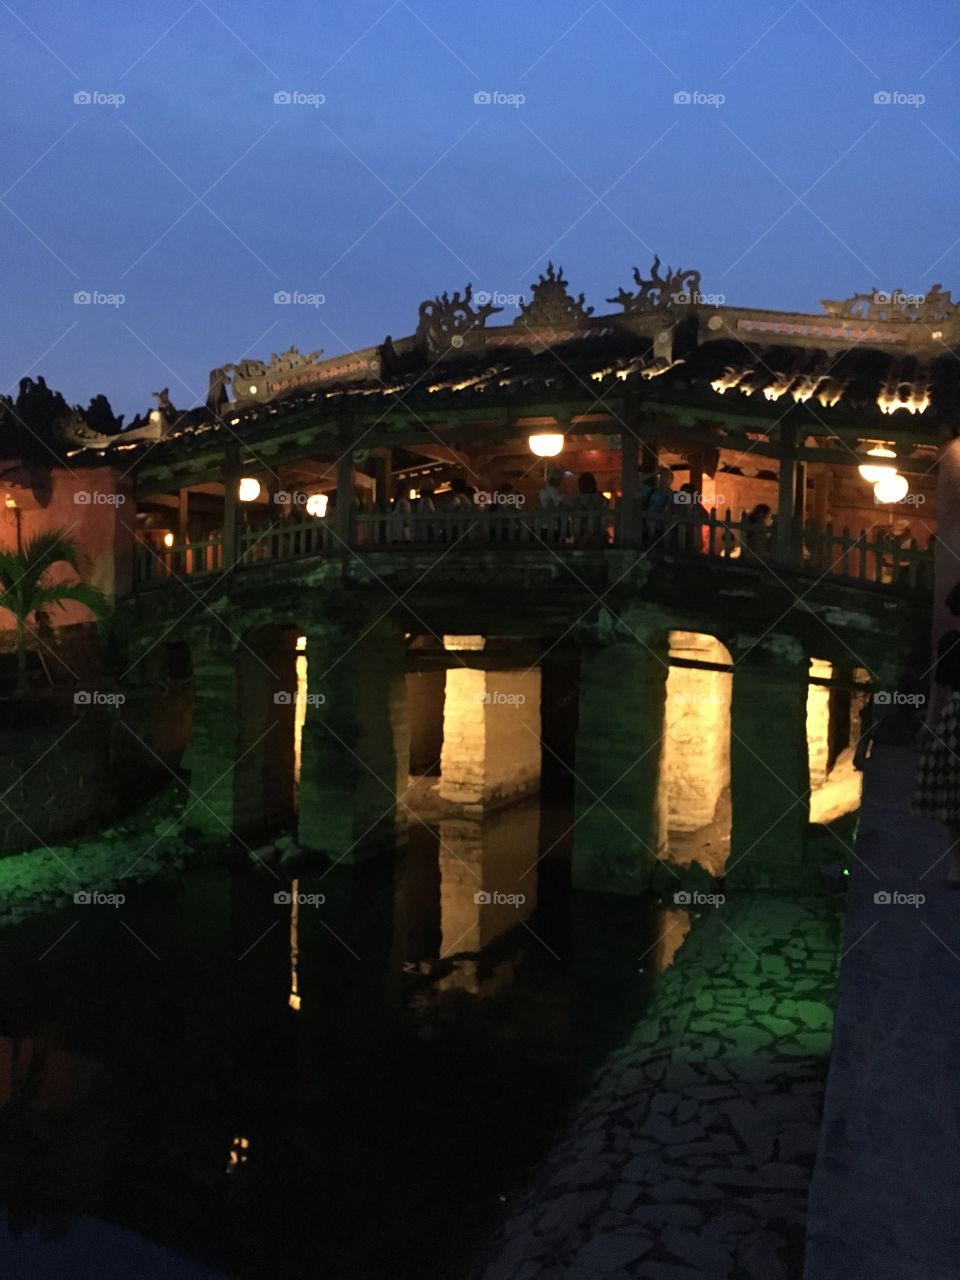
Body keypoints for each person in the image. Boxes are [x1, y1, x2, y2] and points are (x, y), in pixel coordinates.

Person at [912, 582, 960, 884]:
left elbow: (939, 687)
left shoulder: (951, 642)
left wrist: (930, 724)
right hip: (956, 718)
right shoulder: (951, 642)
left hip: (956, 719)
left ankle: (957, 867)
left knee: (953, 798)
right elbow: (940, 685)